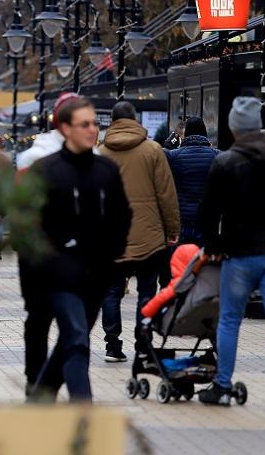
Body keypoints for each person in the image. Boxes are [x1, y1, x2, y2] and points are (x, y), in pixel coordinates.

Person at [198, 97, 265, 412]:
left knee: (229, 320)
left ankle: (223, 386)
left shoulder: (225, 162)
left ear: (234, 128)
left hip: (240, 253)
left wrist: (213, 246)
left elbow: (208, 212)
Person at [31, 96, 132, 402]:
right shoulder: (46, 171)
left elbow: (122, 215)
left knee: (72, 339)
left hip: (97, 274)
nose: (92, 130)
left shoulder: (106, 170)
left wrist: (113, 254)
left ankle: (41, 397)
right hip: (59, 275)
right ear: (64, 129)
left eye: (95, 124)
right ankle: (83, 410)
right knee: (76, 338)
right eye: (84, 124)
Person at [99, 101, 180, 364]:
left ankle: (112, 345)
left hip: (112, 236)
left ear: (112, 121)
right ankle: (143, 342)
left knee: (111, 291)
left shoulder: (100, 153)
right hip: (149, 235)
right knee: (147, 291)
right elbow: (166, 194)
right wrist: (172, 229)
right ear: (135, 120)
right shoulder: (154, 150)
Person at [14, 92, 78, 395]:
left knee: (40, 320)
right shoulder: (35, 158)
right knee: (62, 322)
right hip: (52, 252)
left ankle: (38, 380)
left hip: (48, 252)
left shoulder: (31, 157)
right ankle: (42, 381)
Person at [165, 116, 218, 247]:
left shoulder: (173, 156)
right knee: (204, 264)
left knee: (180, 263)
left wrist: (168, 146)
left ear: (186, 133)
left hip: (182, 222)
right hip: (207, 223)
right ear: (205, 133)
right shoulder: (218, 156)